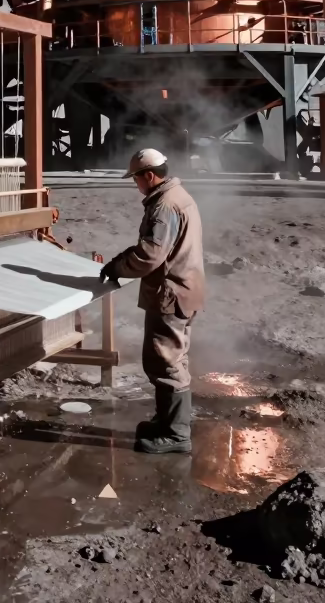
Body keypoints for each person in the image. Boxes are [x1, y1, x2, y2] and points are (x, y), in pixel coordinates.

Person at [99, 148, 205, 454]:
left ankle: (175, 434)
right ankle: (166, 422)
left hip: (171, 294)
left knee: (165, 362)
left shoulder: (164, 206)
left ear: (148, 175)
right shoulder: (179, 196)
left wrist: (117, 267)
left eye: (136, 178)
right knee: (173, 358)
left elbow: (150, 255)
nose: (136, 185)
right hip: (187, 288)